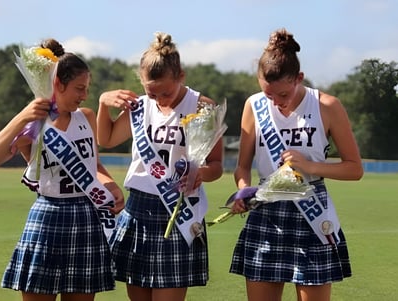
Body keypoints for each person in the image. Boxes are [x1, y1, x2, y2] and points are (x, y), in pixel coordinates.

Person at [0, 38, 124, 301]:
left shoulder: (87, 117)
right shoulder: (33, 126)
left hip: (86, 217)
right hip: (47, 217)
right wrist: (23, 116)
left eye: (86, 88)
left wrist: (110, 184)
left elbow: (95, 165)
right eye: (79, 88)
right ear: (58, 84)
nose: (84, 95)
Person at [229, 28, 363, 301]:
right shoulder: (253, 106)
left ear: (299, 78)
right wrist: (244, 190)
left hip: (313, 215)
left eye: (282, 95)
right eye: (268, 95)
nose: (276, 103)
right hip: (266, 214)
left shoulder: (327, 106)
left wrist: (311, 167)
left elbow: (354, 168)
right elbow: (242, 168)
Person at [96, 32, 224, 301]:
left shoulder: (202, 107)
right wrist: (102, 104)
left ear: (181, 76)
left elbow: (216, 166)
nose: (159, 99)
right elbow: (105, 139)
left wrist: (199, 174)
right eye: (150, 91)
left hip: (178, 211)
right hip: (138, 210)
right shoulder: (141, 107)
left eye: (165, 91)